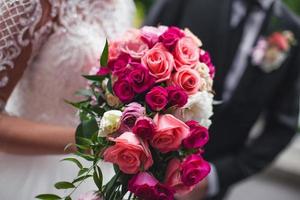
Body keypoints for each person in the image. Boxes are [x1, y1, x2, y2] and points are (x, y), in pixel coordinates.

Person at [145, 0, 300, 199]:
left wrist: (217, 176)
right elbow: (142, 56)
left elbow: (282, 127)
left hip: (209, 189)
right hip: (146, 169)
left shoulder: (291, 30)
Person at [0, 0, 135, 199]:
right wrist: (91, 141)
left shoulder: (124, 5)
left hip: (99, 180)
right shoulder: (33, 4)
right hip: (30, 176)